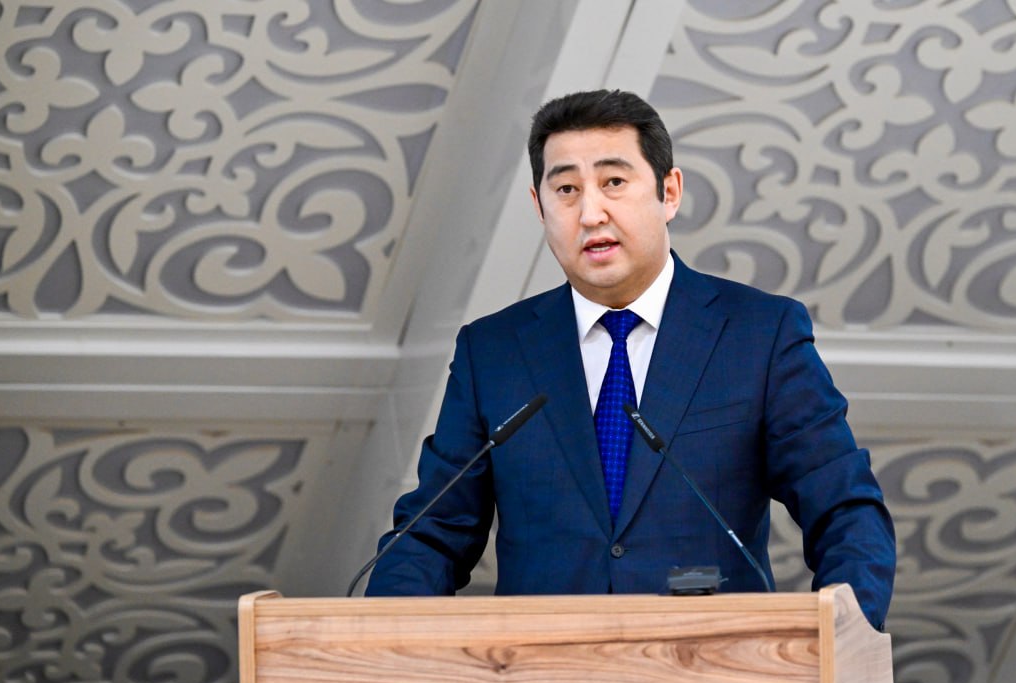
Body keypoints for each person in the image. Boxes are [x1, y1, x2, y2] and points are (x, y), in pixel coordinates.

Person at [365, 89, 895, 629]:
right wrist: (377, 642)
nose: (590, 213)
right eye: (566, 189)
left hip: (713, 666)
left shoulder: (759, 334)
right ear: (540, 207)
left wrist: (841, 631)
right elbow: (430, 535)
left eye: (614, 182)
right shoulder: (493, 351)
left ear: (670, 192)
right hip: (540, 670)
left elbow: (844, 507)